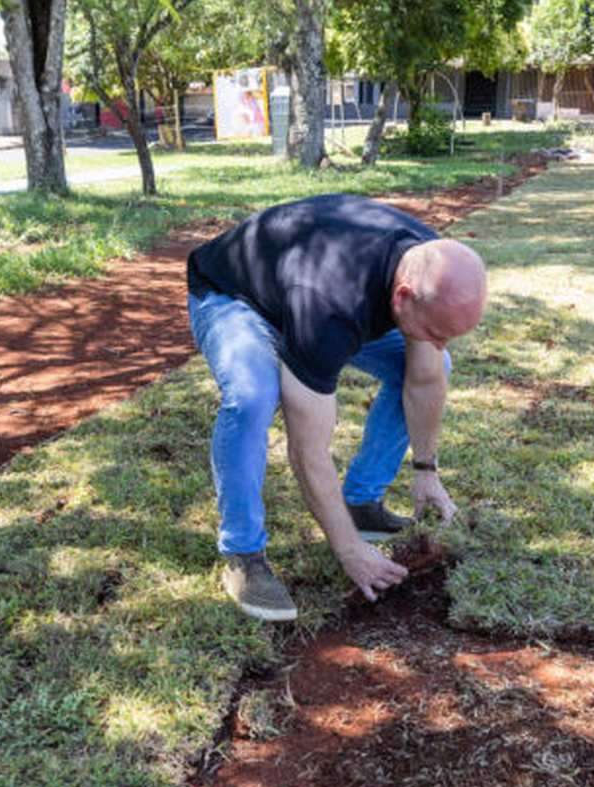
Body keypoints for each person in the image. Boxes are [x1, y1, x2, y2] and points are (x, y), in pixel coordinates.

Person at [187, 193, 486, 622]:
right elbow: (307, 452)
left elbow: (423, 378)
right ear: (403, 297)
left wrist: (426, 470)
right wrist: (349, 551)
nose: (439, 341)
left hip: (299, 280)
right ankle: (243, 554)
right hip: (233, 295)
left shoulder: (429, 263)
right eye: (437, 332)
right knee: (253, 396)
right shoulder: (328, 308)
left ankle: (361, 503)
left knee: (435, 364)